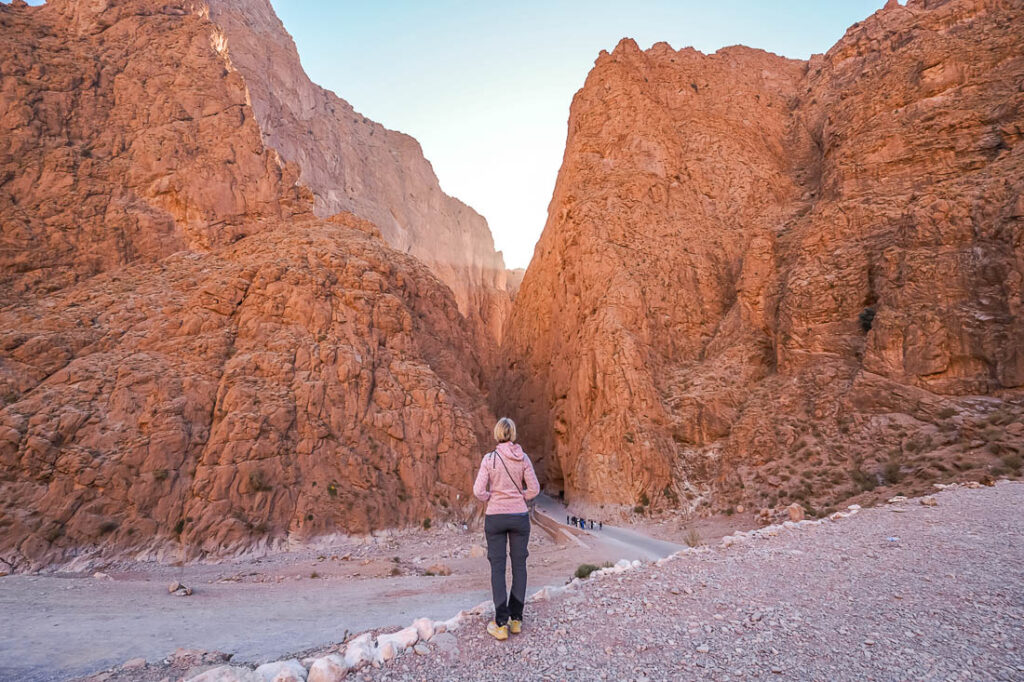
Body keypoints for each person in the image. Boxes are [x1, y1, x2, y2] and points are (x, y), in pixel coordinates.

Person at [473, 417, 540, 641]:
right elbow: (534, 489)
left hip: (495, 518)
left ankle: (501, 623)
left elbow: (478, 491)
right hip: (519, 517)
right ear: (513, 434)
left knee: (498, 569)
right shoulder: (523, 458)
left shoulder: (489, 459)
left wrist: (491, 497)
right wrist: (521, 496)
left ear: (496, 434)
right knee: (519, 566)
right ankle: (517, 620)